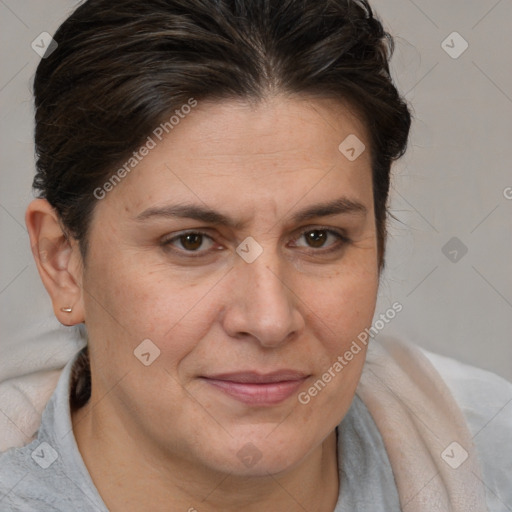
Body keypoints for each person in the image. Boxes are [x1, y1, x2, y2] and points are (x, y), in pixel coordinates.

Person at [0, 0, 510, 511]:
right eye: (192, 242)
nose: (269, 320)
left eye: (318, 238)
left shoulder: (494, 451)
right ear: (63, 262)